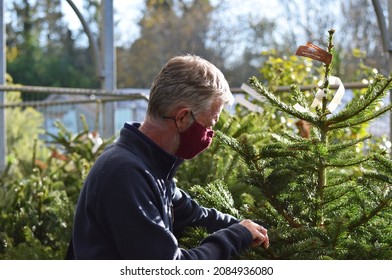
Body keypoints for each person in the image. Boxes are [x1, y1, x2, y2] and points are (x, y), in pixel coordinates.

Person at [68, 54, 269, 260]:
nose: (210, 134)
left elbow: (194, 215)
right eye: (209, 125)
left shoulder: (151, 166)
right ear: (182, 118)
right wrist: (236, 237)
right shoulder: (126, 174)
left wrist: (246, 227)